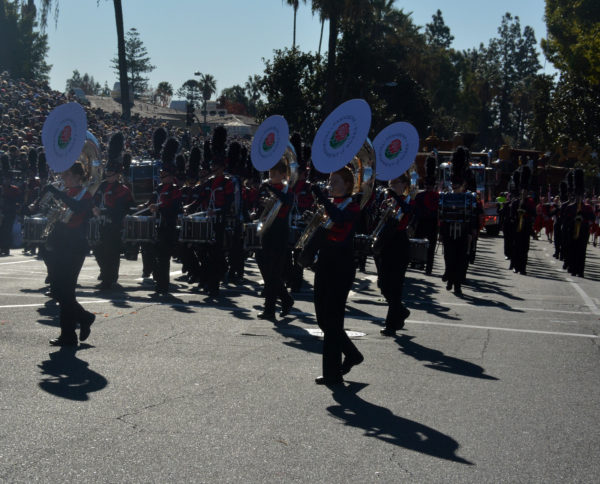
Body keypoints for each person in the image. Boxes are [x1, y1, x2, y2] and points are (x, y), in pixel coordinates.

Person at [310, 166, 363, 386]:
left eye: (336, 182)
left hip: (341, 266)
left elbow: (340, 220)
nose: (330, 185)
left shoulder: (352, 205)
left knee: (333, 320)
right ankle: (351, 353)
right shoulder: (332, 205)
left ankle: (332, 373)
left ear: (348, 186)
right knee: (323, 318)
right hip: (325, 262)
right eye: (330, 181)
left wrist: (323, 199)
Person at [43, 161, 95, 346]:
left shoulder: (85, 194)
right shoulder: (66, 192)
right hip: (59, 244)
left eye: (66, 175)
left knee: (66, 291)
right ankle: (82, 319)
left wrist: (57, 194)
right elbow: (55, 214)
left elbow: (78, 209)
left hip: (74, 247)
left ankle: (69, 334)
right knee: (57, 290)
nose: (63, 178)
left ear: (77, 176)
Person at [92, 133, 133, 290]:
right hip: (101, 223)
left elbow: (121, 208)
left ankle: (110, 279)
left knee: (112, 253)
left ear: (117, 175)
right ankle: (105, 274)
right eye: (107, 174)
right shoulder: (102, 185)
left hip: (114, 225)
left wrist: (102, 212)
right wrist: (93, 207)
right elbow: (94, 198)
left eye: (110, 174)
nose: (107, 176)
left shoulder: (122, 189)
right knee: (98, 249)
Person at [375, 173, 413, 336]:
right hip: (385, 242)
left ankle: (391, 325)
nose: (391, 185)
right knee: (383, 284)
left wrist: (395, 198)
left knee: (395, 285)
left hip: (399, 243)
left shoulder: (409, 199)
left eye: (395, 182)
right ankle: (401, 310)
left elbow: (408, 212)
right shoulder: (388, 200)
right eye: (390, 182)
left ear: (404, 184)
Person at [256, 160, 294, 321]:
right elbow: (263, 208)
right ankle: (285, 299)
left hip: (280, 232)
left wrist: (270, 187)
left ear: (283, 175)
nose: (270, 177)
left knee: (273, 271)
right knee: (264, 266)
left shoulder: (287, 189)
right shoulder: (272, 190)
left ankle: (270, 309)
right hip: (268, 231)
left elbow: (286, 201)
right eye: (270, 174)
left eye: (274, 175)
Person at [413, 155, 439, 275]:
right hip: (422, 222)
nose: (429, 187)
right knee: (419, 244)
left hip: (432, 223)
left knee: (431, 247)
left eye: (431, 185)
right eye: (427, 185)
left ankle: (428, 267)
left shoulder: (437, 197)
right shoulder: (420, 196)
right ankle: (418, 263)